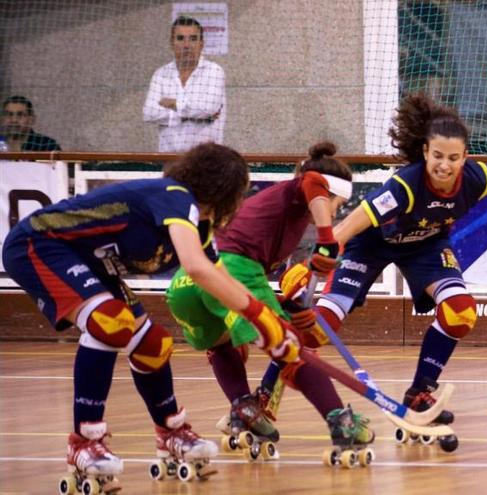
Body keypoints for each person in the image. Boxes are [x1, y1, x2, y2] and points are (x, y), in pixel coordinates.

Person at [1, 143, 300, 488]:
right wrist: (261, 319)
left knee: (153, 343)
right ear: (226, 190)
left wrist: (272, 328)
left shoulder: (198, 227)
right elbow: (197, 269)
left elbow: (222, 280)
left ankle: (170, 431)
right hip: (38, 244)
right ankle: (85, 440)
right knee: (110, 322)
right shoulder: (175, 196)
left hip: (90, 263)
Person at [305, 93, 487, 432]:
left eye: (454, 157)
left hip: (426, 246)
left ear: (465, 156)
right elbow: (348, 227)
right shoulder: (404, 186)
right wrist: (310, 263)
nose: (444, 164)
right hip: (372, 246)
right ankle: (263, 397)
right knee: (320, 326)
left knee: (460, 312)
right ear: (425, 152)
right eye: (437, 155)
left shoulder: (474, 177)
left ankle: (420, 391)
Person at [165, 141, 374, 454]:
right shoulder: (298, 189)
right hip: (233, 271)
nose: (335, 211)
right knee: (292, 350)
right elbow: (312, 182)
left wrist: (292, 308)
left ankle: (243, 407)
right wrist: (327, 238)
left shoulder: (284, 210)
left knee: (221, 344)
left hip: (187, 283)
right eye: (337, 203)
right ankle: (340, 422)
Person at [143, 16, 225, 152]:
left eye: (193, 39)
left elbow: (209, 109)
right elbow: (149, 113)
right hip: (168, 159)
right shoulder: (160, 74)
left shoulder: (214, 71)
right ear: (171, 43)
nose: (186, 45)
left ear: (201, 44)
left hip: (206, 159)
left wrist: (173, 104)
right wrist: (193, 113)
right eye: (180, 38)